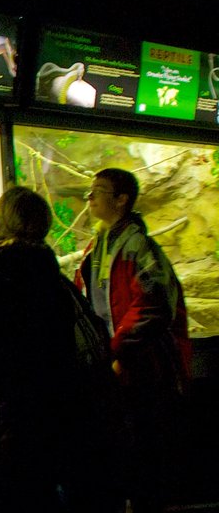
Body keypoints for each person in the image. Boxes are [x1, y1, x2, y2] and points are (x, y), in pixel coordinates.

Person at [0, 186, 85, 513]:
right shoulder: (50, 273)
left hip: (8, 412)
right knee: (46, 491)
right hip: (54, 407)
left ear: (0, 224)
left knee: (13, 493)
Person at [76, 168, 192, 513]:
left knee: (144, 449)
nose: (90, 198)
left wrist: (119, 349)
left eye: (98, 191)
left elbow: (153, 303)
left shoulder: (137, 245)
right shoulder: (98, 244)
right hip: (113, 368)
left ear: (122, 200)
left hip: (140, 371)